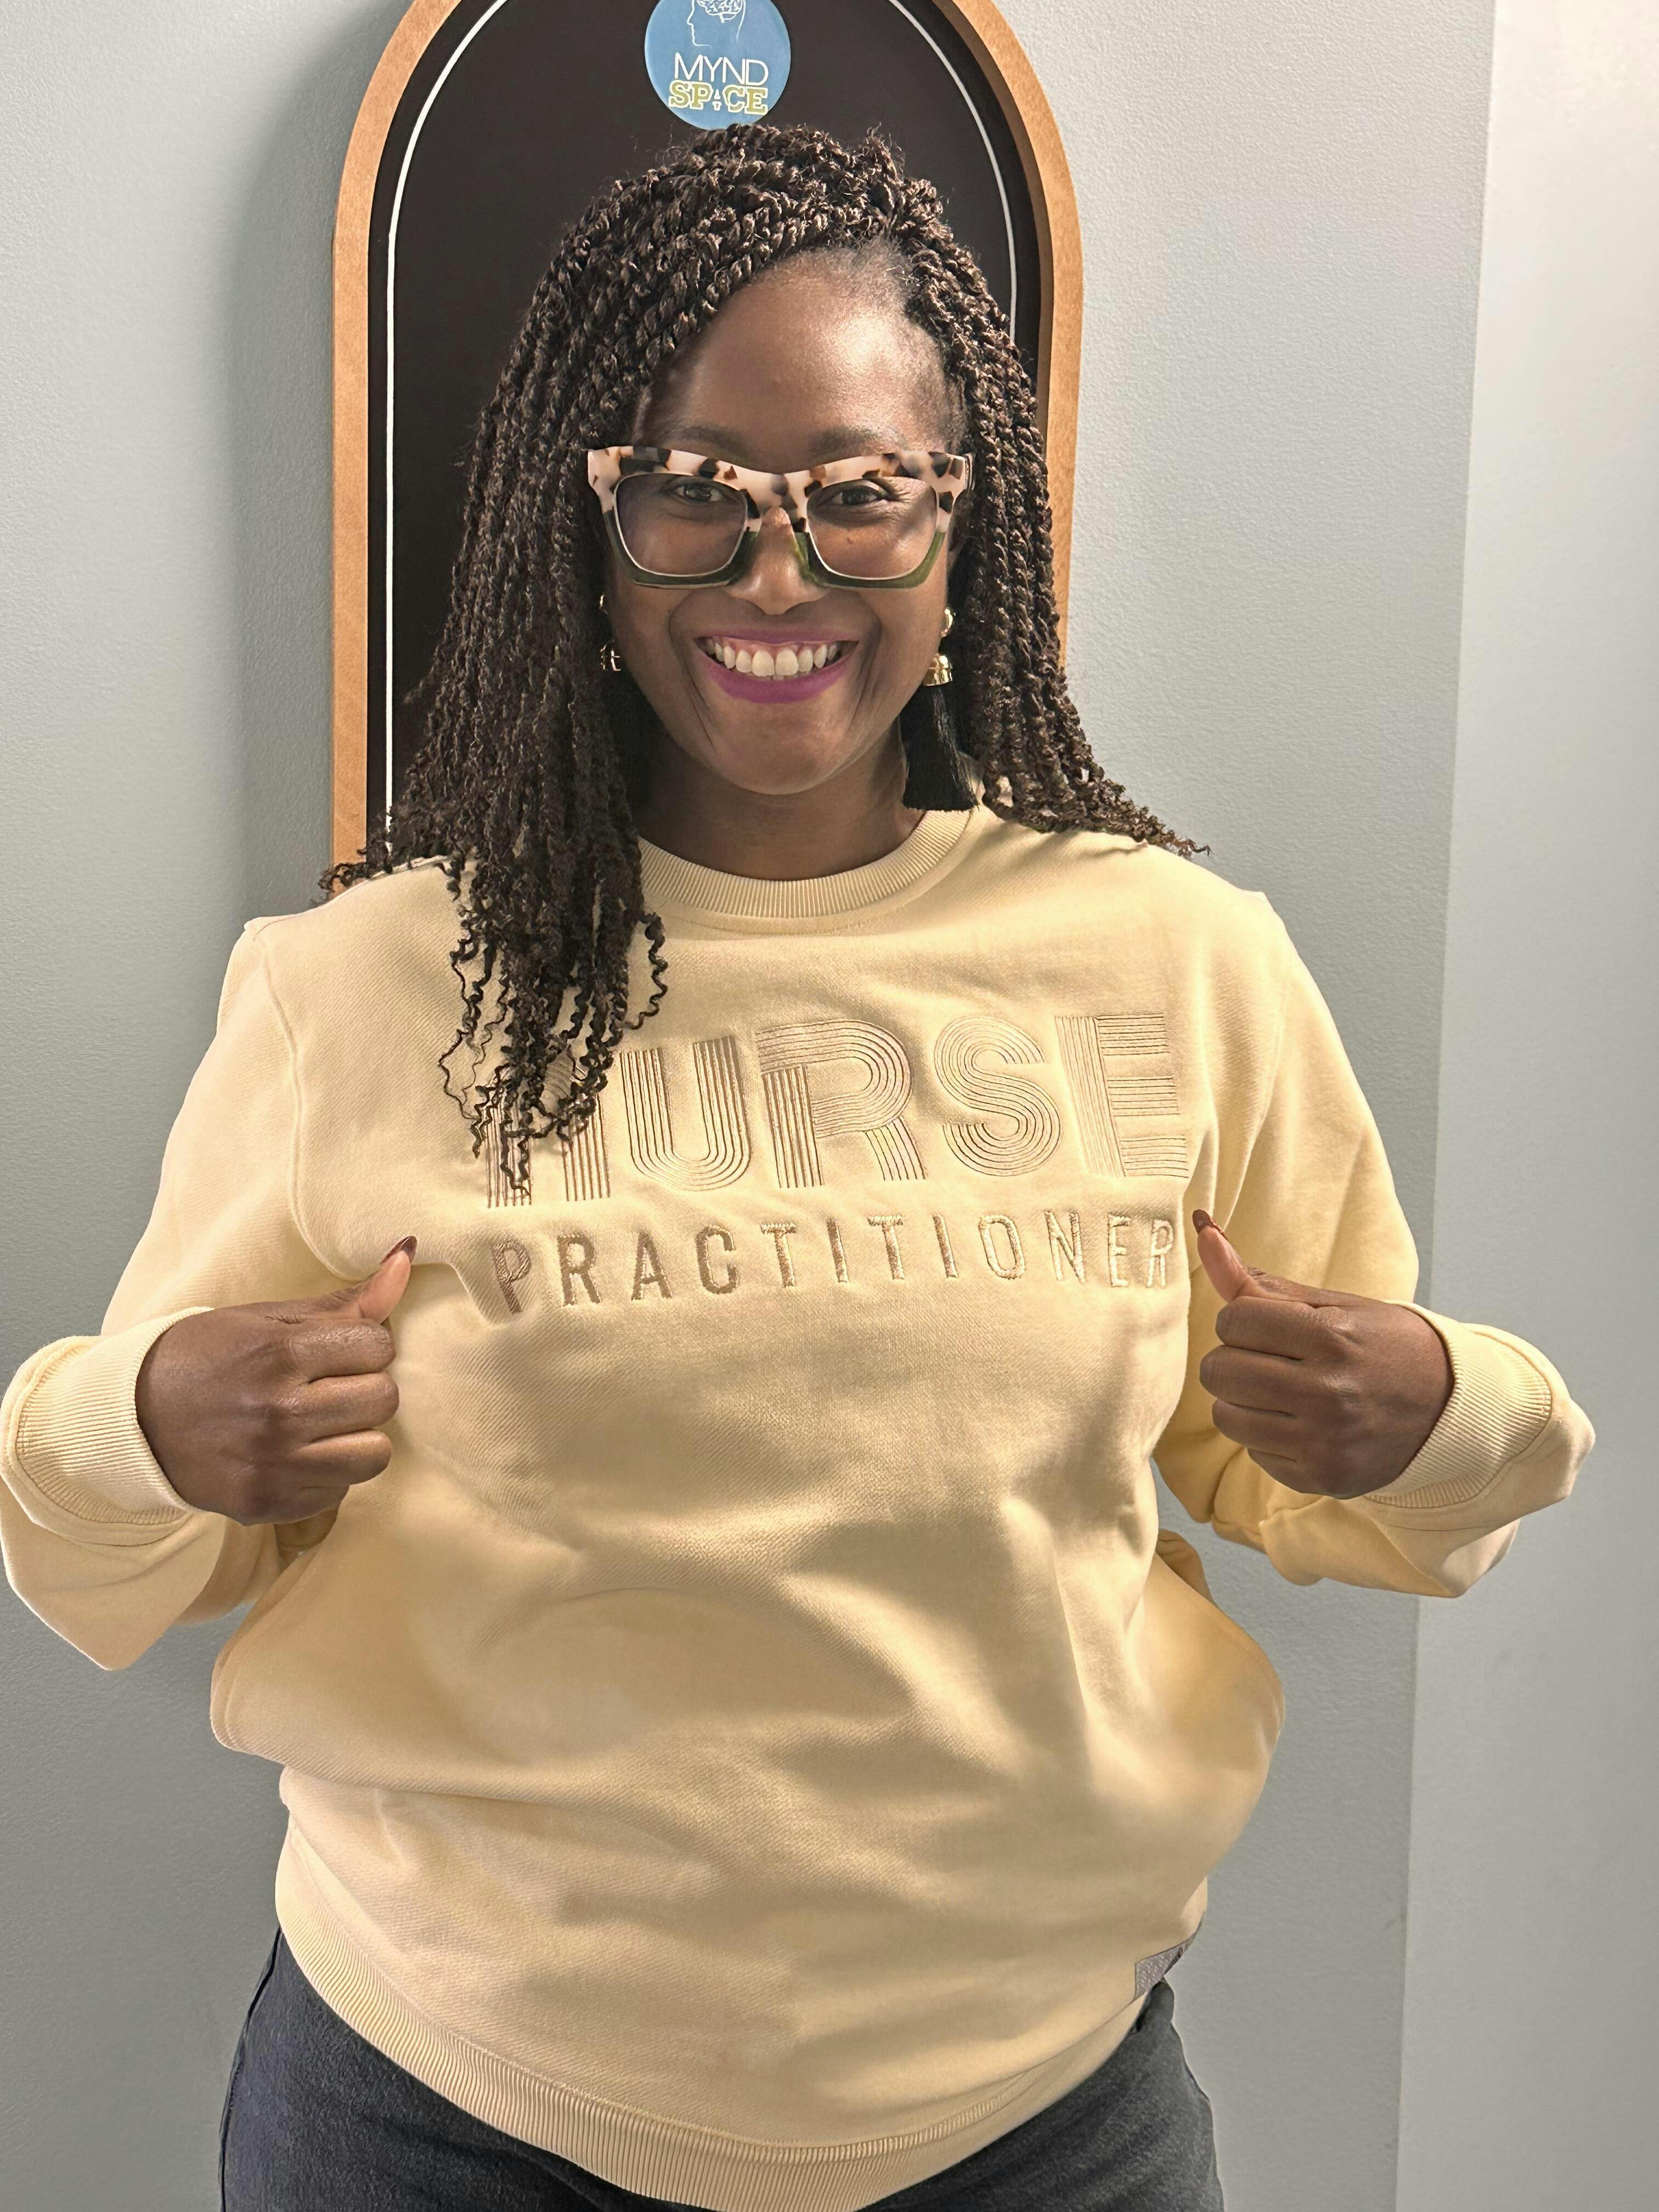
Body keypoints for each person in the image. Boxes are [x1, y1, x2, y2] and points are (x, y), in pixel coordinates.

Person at [0, 122, 1593, 2212]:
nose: (777, 578)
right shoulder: (364, 987)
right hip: (452, 2110)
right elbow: (105, 1551)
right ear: (591, 526)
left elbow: (1343, 1484)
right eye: (695, 491)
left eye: (858, 494)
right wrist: (148, 1427)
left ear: (962, 525)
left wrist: (1441, 1407)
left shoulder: (1179, 960)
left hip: (1038, 2123)